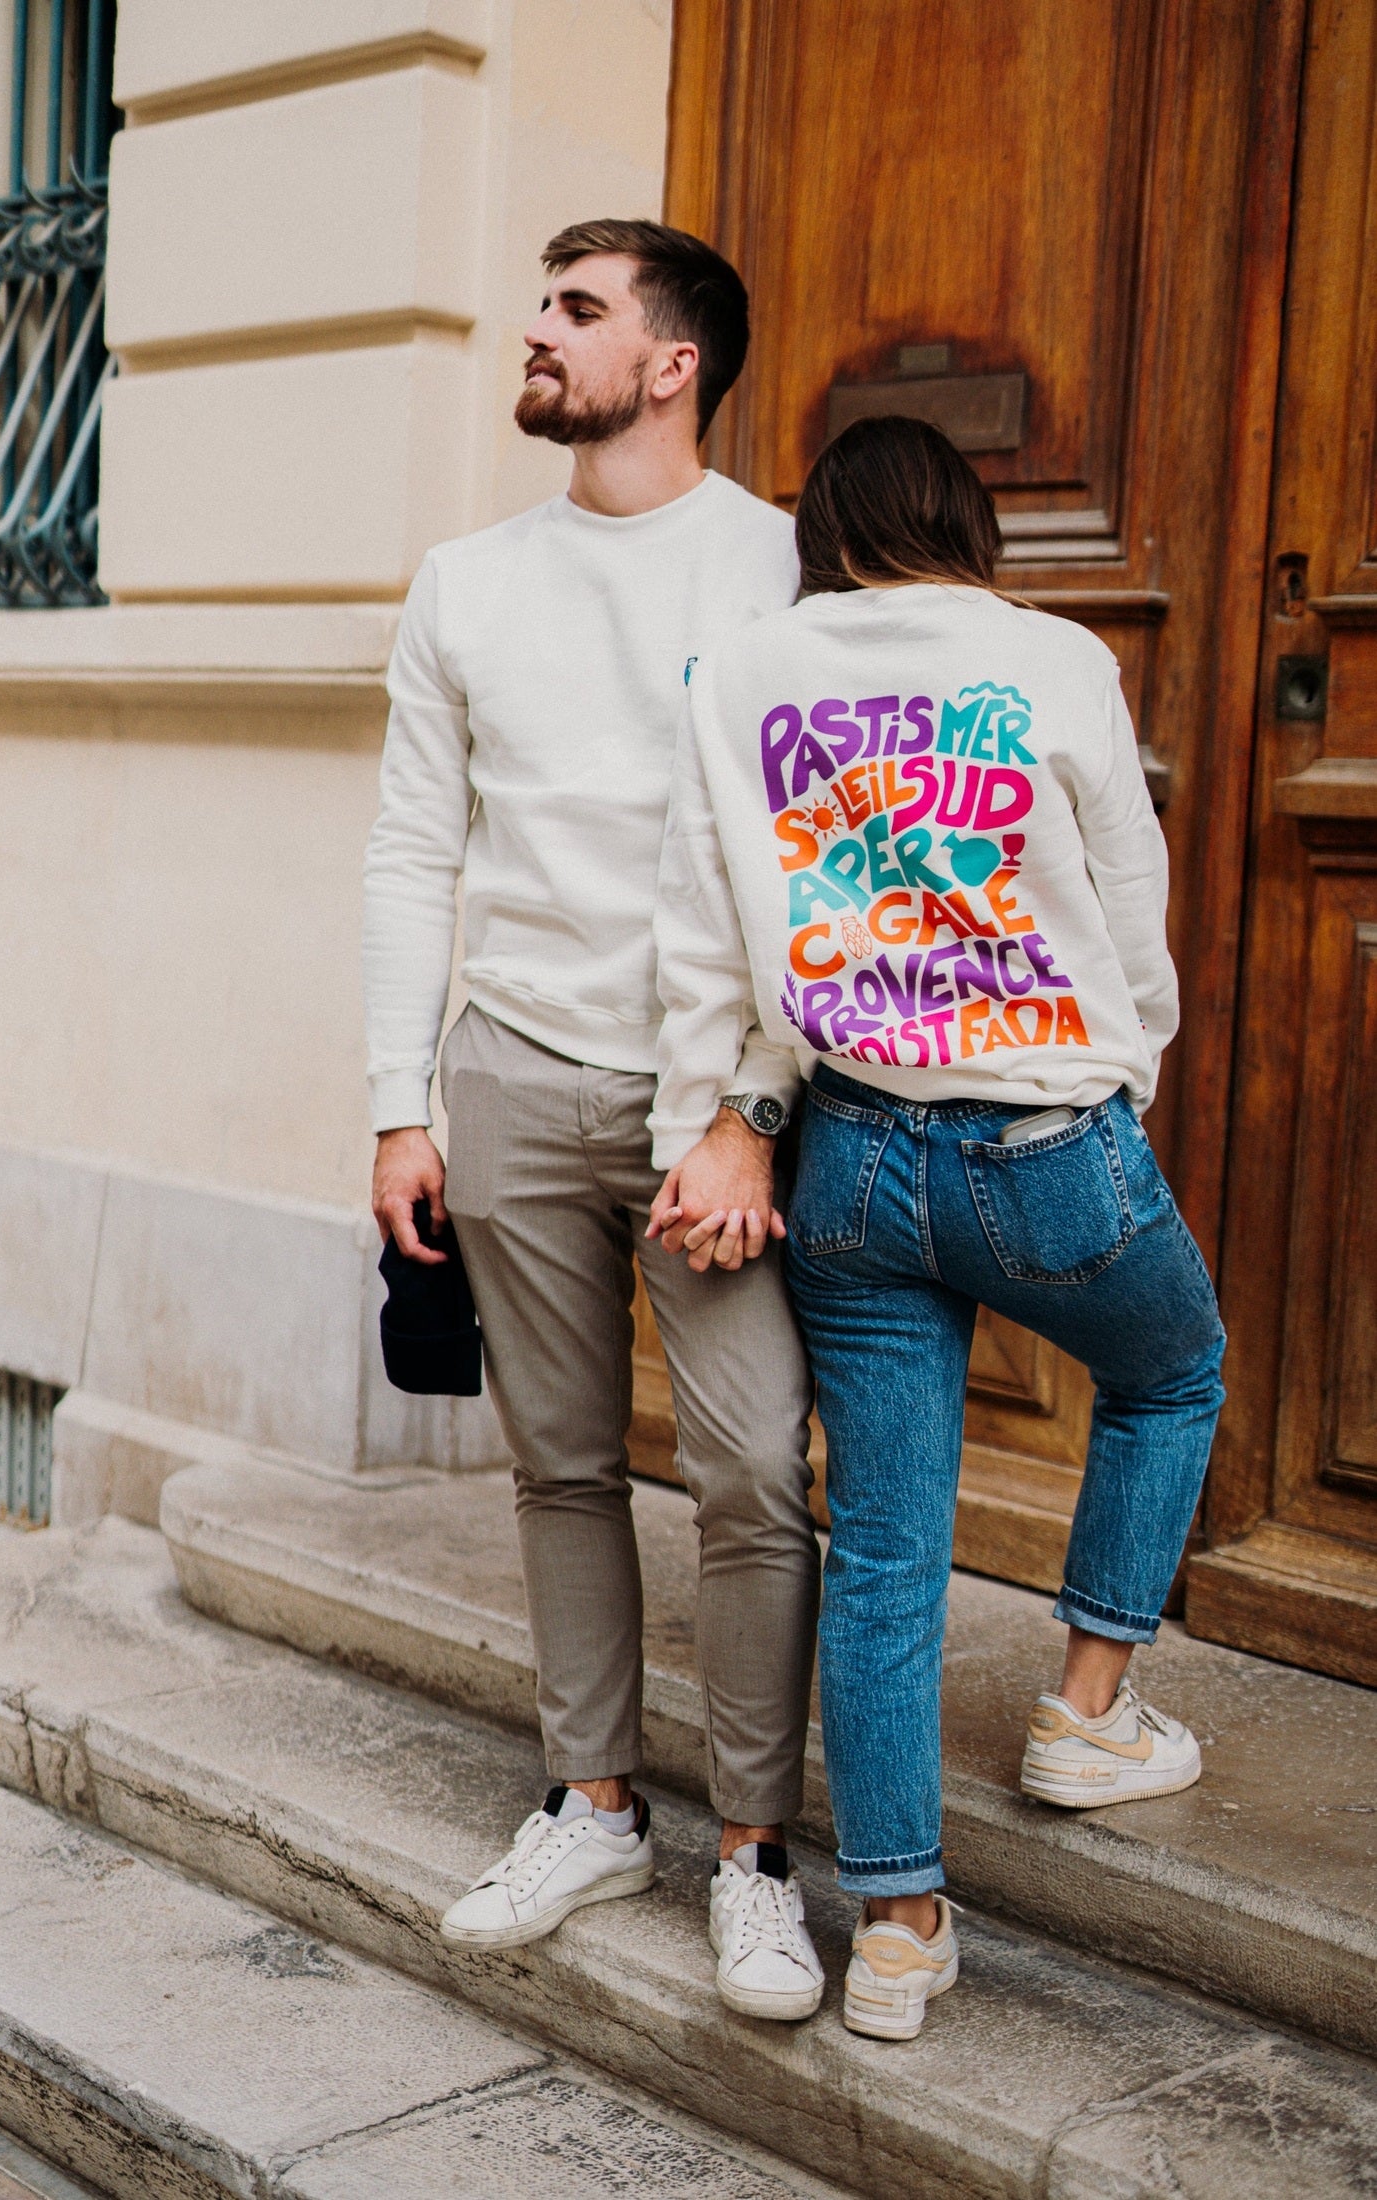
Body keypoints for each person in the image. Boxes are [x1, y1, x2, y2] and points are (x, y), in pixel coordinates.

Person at [646, 413, 1226, 2041]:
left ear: (821, 536)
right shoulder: (1055, 660)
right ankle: (1088, 1713)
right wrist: (1123, 1073)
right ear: (971, 526)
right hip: (1046, 1143)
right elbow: (1133, 902)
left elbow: (705, 929)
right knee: (1176, 1372)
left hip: (848, 1160)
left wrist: (732, 1114)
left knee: (889, 1544)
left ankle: (897, 1929)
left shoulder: (744, 672)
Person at [363, 219, 825, 2020]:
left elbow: (824, 866)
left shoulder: (787, 571)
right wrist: (402, 1104)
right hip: (509, 1064)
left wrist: (756, 1110)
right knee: (557, 1462)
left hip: (709, 1093)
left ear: (674, 360)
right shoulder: (465, 581)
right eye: (540, 307)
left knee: (751, 1474)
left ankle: (758, 1858)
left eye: (577, 311)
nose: (534, 337)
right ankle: (593, 1799)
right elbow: (415, 846)